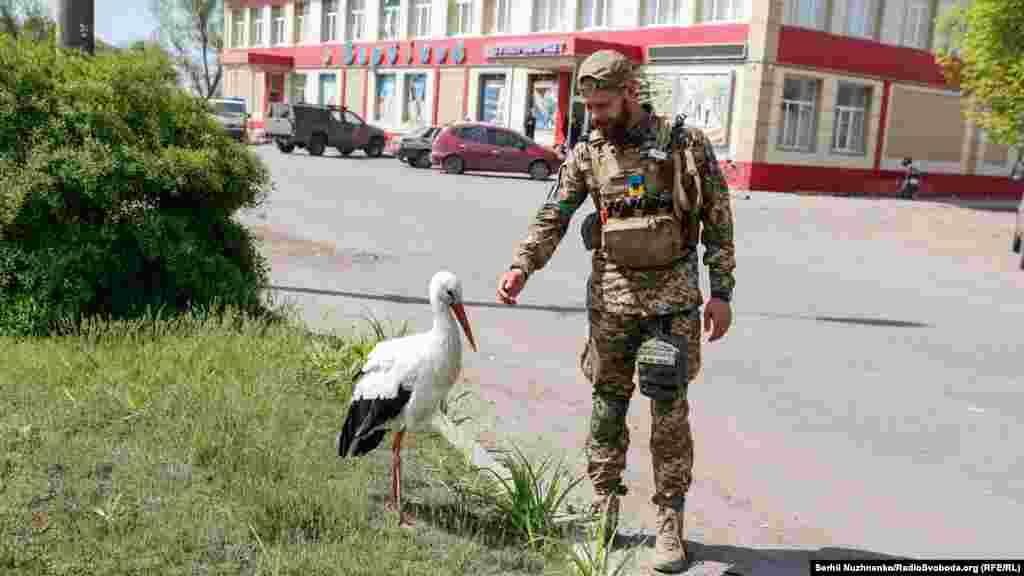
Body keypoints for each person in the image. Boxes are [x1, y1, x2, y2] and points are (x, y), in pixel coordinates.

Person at [496, 50, 736, 573]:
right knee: (607, 407)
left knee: (669, 412)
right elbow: (555, 212)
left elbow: (717, 216)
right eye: (590, 106)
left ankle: (669, 521)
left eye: (604, 104)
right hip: (611, 301)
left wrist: (722, 290)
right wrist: (522, 265)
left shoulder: (683, 143)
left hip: (672, 302)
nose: (596, 115)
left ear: (631, 92)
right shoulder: (589, 151)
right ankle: (603, 504)